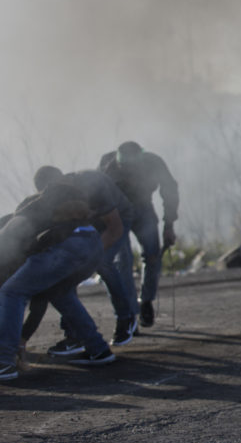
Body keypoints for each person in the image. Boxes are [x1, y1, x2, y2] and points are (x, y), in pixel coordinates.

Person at [0, 177, 121, 380]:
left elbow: (6, 242)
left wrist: (21, 338)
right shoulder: (49, 210)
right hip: (92, 244)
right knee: (59, 293)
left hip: (67, 247)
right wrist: (23, 337)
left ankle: (3, 362)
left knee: (12, 292)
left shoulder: (20, 218)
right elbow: (40, 296)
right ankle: (98, 349)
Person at [32, 166, 138, 351]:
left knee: (103, 263)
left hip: (118, 218)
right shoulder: (56, 196)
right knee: (68, 270)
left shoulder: (93, 186)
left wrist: (90, 256)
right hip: (89, 223)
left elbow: (115, 228)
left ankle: (126, 317)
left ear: (63, 180)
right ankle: (74, 335)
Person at [98, 141, 179, 328]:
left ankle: (146, 301)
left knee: (152, 256)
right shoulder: (106, 165)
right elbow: (97, 197)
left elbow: (170, 190)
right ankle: (130, 313)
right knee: (122, 261)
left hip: (143, 209)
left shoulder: (153, 163)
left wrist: (169, 224)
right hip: (117, 214)